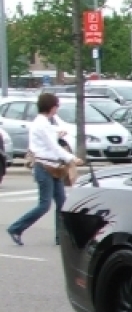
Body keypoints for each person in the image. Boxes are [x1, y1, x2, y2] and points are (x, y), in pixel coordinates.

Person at [7, 92, 82, 246]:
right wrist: (72, 158)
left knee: (62, 203)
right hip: (44, 167)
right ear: (51, 107)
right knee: (44, 205)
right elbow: (53, 147)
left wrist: (57, 133)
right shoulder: (41, 124)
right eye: (56, 106)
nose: (57, 109)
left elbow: (50, 135)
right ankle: (16, 228)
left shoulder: (44, 122)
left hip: (53, 167)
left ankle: (60, 236)